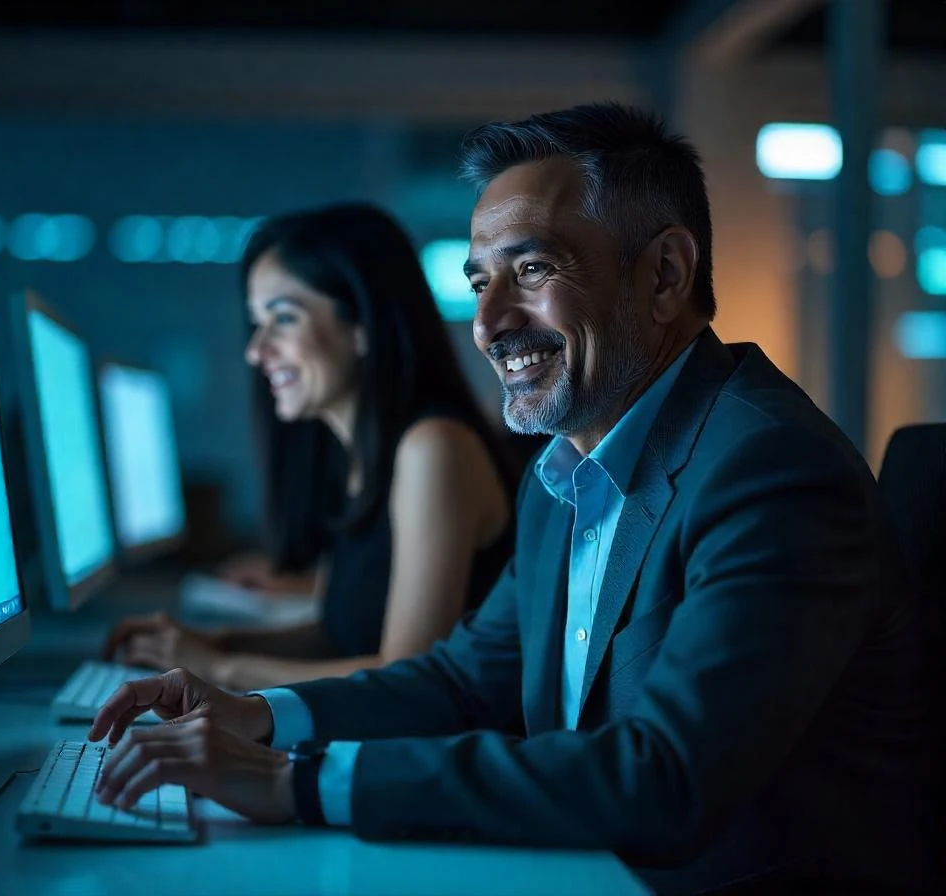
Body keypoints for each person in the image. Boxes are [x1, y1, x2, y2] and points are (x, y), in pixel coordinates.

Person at [87, 105, 937, 894]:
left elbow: (663, 776)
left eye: (531, 268)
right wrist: (262, 715)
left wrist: (295, 782)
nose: (488, 322)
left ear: (666, 274)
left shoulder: (769, 468)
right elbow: (466, 680)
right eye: (478, 280)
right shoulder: (564, 470)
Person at [104, 203, 516, 692]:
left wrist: (218, 671)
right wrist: (211, 643)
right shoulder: (360, 456)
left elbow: (407, 679)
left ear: (362, 322)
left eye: (283, 318)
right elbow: (338, 634)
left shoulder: (435, 448)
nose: (256, 351)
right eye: (257, 323)